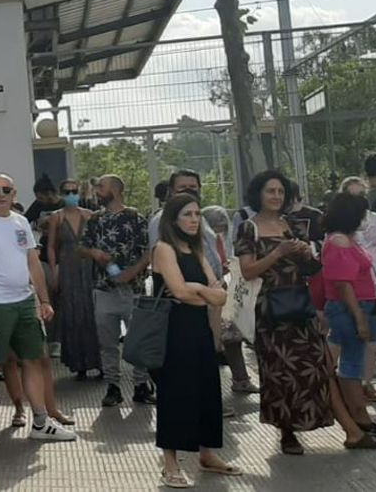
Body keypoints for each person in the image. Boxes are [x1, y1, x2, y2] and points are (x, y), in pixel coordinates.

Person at [235, 170, 376, 454]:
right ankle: (288, 432)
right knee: (279, 371)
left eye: (280, 192)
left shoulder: (290, 224)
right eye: (270, 191)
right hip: (270, 311)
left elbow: (310, 271)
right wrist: (277, 253)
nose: (276, 197)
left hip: (300, 306)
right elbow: (247, 271)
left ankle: (351, 431)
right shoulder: (249, 228)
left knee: (319, 367)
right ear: (258, 194)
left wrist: (305, 255)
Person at [0, 174, 75, 444]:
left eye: (6, 190)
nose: (1, 194)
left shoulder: (21, 221)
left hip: (23, 301)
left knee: (33, 359)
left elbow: (33, 262)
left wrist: (44, 300)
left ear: (14, 193)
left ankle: (41, 421)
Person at [151, 194, 240, 488]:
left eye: (197, 214)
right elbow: (178, 291)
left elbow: (221, 295)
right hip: (174, 333)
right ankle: (170, 464)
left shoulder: (196, 248)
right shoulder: (163, 249)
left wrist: (199, 289)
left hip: (199, 330)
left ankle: (207, 454)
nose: (193, 219)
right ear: (173, 219)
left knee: (207, 390)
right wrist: (203, 293)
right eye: (187, 214)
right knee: (176, 394)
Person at [320, 193, 376, 440]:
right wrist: (360, 318)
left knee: (354, 360)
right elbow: (344, 284)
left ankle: (358, 413)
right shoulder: (340, 242)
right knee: (352, 364)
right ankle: (359, 415)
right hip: (351, 309)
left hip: (362, 304)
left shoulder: (345, 240)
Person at [80, 175, 155, 407]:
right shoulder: (95, 219)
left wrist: (132, 272)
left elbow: (149, 250)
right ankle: (112, 386)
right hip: (103, 289)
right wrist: (95, 254)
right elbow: (82, 246)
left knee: (138, 339)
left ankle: (141, 385)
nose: (97, 191)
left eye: (101, 187)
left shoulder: (135, 217)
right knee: (107, 342)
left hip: (133, 289)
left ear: (116, 189)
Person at [337, 177, 376, 403]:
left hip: (374, 281)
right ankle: (345, 381)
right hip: (347, 283)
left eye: (361, 195)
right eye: (352, 196)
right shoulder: (339, 224)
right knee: (345, 333)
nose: (358, 200)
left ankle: (367, 382)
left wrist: (372, 258)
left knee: (372, 336)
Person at [200, 206, 258, 395]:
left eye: (222, 227)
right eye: (216, 226)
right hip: (209, 294)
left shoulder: (218, 240)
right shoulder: (203, 241)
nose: (219, 231)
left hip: (222, 292)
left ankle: (241, 379)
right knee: (218, 341)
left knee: (233, 338)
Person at [47, 179, 99, 379]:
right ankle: (79, 363)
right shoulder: (56, 217)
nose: (71, 194)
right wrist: (54, 271)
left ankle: (99, 361)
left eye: (74, 191)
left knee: (93, 311)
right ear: (61, 194)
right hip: (67, 266)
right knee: (72, 312)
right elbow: (51, 246)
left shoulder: (90, 215)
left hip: (88, 267)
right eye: (67, 191)